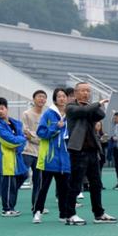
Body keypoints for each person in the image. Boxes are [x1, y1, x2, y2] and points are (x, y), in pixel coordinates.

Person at [65, 82, 117, 225]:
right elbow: (83, 112)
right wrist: (97, 103)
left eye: (88, 91)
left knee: (96, 184)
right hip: (78, 151)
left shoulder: (90, 108)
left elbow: (101, 114)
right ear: (75, 93)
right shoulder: (70, 107)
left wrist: (95, 105)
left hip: (92, 151)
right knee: (75, 184)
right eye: (82, 91)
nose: (86, 93)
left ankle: (99, 214)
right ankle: (70, 215)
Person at [32, 88, 71, 224]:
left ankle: (63, 214)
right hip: (50, 157)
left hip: (65, 158)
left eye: (64, 96)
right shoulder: (49, 114)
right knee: (44, 188)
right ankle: (37, 212)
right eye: (59, 96)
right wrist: (56, 128)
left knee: (63, 189)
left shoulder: (70, 114)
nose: (62, 98)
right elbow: (41, 132)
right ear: (55, 99)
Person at [0, 97, 28, 217]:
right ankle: (7, 209)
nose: (0, 112)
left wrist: (19, 144)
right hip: (7, 159)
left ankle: (10, 205)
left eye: (2, 109)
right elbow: (11, 141)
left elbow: (19, 142)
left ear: (7, 109)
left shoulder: (15, 123)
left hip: (17, 158)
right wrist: (22, 139)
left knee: (24, 175)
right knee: (8, 184)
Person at [21, 90, 47, 213]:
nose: (41, 99)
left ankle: (36, 206)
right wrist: (38, 138)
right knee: (20, 176)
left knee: (39, 181)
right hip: (27, 151)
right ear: (34, 99)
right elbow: (25, 132)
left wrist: (34, 137)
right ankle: (8, 205)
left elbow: (47, 132)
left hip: (41, 153)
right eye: (39, 97)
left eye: (43, 97)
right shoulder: (26, 114)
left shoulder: (46, 115)